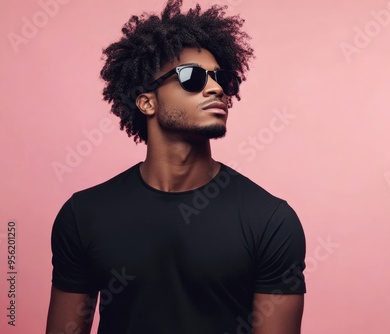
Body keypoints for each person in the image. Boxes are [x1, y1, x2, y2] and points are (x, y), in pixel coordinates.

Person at [46, 1, 306, 333]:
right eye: (192, 77)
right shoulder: (83, 215)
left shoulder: (270, 221)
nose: (216, 89)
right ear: (147, 102)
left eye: (220, 78)